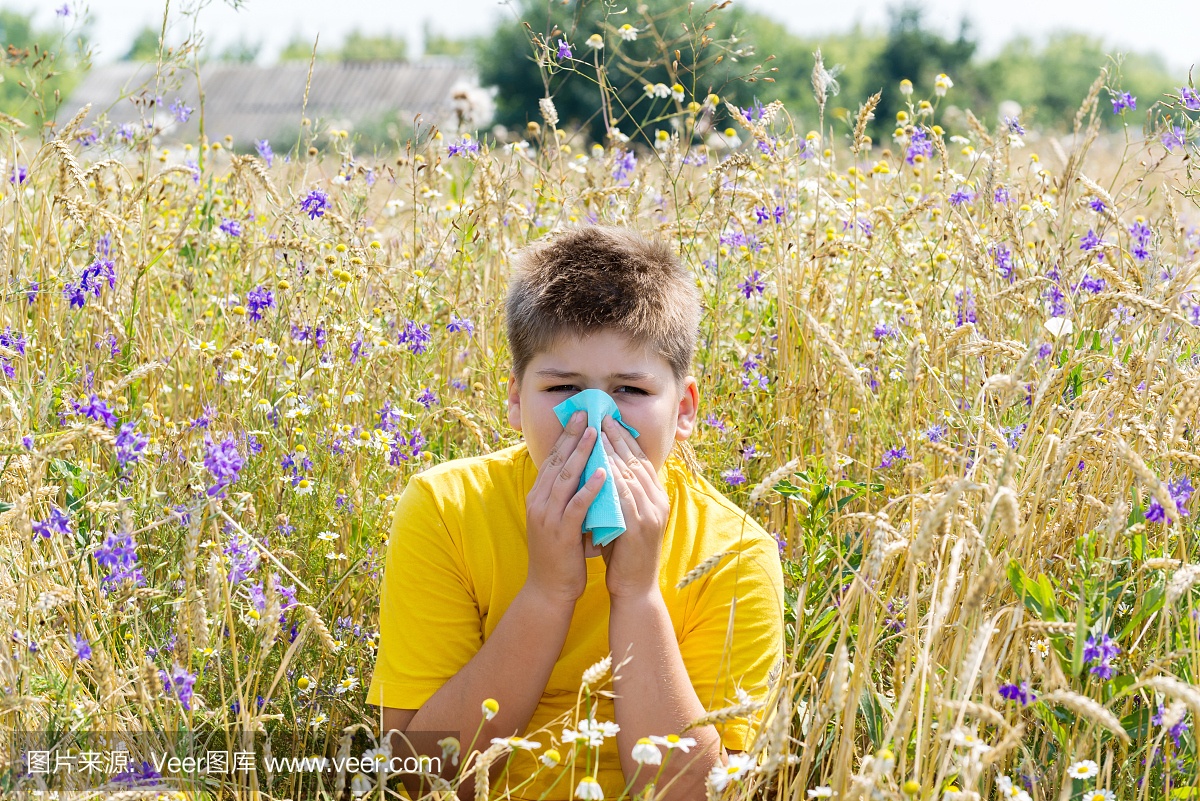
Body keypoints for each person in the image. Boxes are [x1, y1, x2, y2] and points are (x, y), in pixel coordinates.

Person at [367, 226, 784, 800]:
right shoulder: (447, 508)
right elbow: (415, 778)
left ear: (683, 409)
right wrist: (546, 593)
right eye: (563, 387)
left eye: (630, 391)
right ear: (515, 400)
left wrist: (637, 595)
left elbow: (702, 794)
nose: (591, 419)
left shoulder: (735, 550)